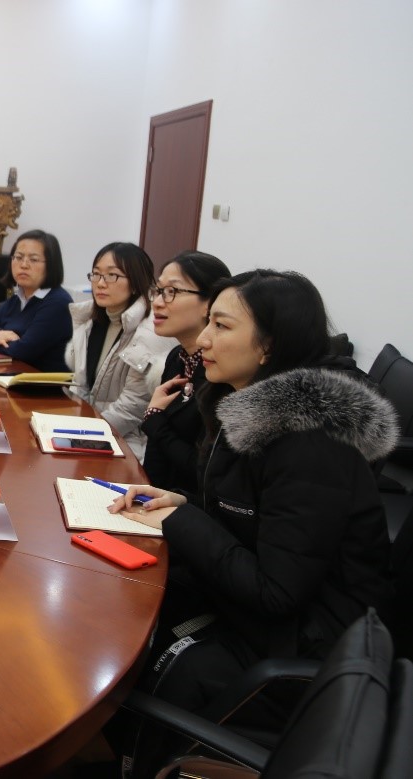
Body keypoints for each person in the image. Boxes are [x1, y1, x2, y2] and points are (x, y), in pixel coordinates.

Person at [108, 270, 396, 774]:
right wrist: (181, 502)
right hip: (253, 611)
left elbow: (276, 592)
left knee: (136, 639)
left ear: (269, 346)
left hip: (301, 645)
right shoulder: (242, 405)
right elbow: (251, 518)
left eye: (221, 326)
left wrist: (182, 519)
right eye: (208, 323)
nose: (203, 340)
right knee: (120, 600)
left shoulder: (310, 442)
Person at [65, 242, 174, 458]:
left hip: (129, 444)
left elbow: (132, 408)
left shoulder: (150, 331)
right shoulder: (91, 323)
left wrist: (80, 437)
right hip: (93, 432)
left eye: (112, 275)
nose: (100, 283)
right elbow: (81, 387)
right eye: (96, 274)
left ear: (135, 283)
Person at [140, 251, 232, 491]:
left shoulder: (222, 370)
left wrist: (155, 420)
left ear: (210, 305)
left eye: (172, 291)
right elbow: (157, 453)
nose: (158, 302)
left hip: (192, 503)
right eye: (158, 290)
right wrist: (144, 494)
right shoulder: (177, 357)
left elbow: (204, 470)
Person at [0, 230, 73, 371]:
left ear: (51, 265)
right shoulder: (17, 299)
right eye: (18, 257)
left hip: (42, 382)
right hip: (10, 375)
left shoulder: (58, 303)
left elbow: (22, 352)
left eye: (33, 259)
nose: (24, 265)